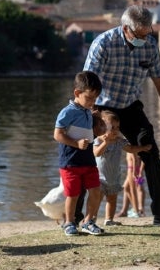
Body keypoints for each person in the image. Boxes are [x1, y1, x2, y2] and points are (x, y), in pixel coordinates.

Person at [84, 4, 160, 227]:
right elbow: (88, 82)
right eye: (140, 35)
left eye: (148, 32)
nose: (145, 37)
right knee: (86, 155)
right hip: (103, 106)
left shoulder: (150, 45)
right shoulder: (103, 43)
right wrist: (88, 115)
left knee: (150, 150)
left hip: (130, 105)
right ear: (126, 29)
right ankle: (78, 218)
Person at [53, 71, 104, 236]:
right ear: (77, 93)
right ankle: (69, 222)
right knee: (73, 194)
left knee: (96, 191)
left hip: (88, 160)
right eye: (89, 98)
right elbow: (57, 135)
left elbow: (88, 133)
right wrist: (75, 143)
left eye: (95, 99)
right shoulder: (67, 112)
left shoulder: (88, 111)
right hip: (70, 162)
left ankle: (88, 221)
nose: (92, 102)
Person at [93, 110, 152, 226]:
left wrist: (142, 148)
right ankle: (91, 219)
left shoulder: (119, 141)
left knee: (112, 199)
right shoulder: (98, 140)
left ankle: (109, 219)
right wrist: (105, 143)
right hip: (99, 178)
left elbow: (130, 149)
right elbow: (96, 153)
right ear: (102, 126)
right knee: (96, 199)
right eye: (112, 127)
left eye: (117, 127)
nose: (115, 130)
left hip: (113, 177)